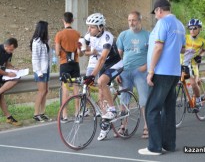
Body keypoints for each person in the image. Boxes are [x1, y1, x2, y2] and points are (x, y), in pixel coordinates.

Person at [138, 0, 185, 155]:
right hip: (174, 72)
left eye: (155, 13)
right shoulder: (180, 25)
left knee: (152, 108)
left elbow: (158, 47)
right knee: (168, 109)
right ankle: (168, 144)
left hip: (161, 72)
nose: (156, 17)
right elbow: (182, 48)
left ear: (159, 10)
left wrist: (150, 71)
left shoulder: (162, 23)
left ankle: (154, 147)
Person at [83, 13, 123, 141]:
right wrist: (84, 48)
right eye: (88, 27)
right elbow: (82, 52)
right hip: (104, 65)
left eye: (92, 27)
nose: (89, 29)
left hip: (115, 63)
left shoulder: (107, 37)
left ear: (100, 27)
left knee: (101, 82)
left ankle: (113, 109)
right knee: (100, 97)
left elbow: (101, 59)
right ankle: (106, 125)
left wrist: (92, 76)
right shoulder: (89, 36)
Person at [116, 11, 150, 139]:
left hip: (141, 71)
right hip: (125, 71)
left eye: (134, 20)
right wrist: (117, 72)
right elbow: (118, 55)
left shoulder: (148, 35)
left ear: (140, 21)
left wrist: (146, 67)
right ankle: (123, 126)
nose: (131, 23)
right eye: (129, 20)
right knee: (124, 100)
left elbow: (153, 54)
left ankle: (147, 126)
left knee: (144, 100)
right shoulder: (123, 35)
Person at [54, 12, 83, 123]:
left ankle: (65, 115)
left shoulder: (59, 34)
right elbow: (80, 53)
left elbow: (57, 52)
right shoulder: (77, 34)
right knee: (76, 88)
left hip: (64, 64)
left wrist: (62, 50)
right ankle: (77, 113)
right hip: (75, 64)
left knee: (65, 88)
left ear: (63, 20)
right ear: (73, 20)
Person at [181, 19, 205, 108]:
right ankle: (189, 98)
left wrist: (200, 56)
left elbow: (203, 51)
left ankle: (198, 100)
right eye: (190, 28)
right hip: (181, 63)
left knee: (192, 83)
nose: (192, 30)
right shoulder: (184, 38)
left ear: (199, 29)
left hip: (192, 64)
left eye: (194, 28)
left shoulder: (202, 41)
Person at [30, 21, 52, 122]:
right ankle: (36, 113)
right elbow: (35, 59)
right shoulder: (36, 41)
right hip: (40, 71)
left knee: (46, 91)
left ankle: (42, 112)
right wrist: (39, 72)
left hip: (46, 69)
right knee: (41, 91)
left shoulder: (45, 41)